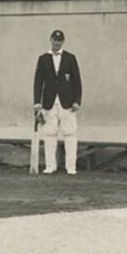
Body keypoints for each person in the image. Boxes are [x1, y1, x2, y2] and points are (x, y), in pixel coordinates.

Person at [33, 29, 82, 175]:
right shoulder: (43, 59)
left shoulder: (70, 58)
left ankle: (71, 167)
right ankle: (50, 166)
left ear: (63, 42)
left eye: (59, 40)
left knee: (70, 133)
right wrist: (37, 102)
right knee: (49, 134)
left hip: (67, 102)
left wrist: (77, 101)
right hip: (49, 102)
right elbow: (38, 82)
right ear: (50, 40)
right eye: (54, 39)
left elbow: (77, 81)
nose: (56, 42)